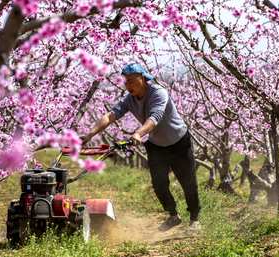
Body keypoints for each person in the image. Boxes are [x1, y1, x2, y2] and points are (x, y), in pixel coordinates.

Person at [81, 63, 200, 231]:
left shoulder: (159, 92)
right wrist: (89, 135)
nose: (127, 85)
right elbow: (111, 115)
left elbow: (155, 117)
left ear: (143, 79)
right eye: (126, 81)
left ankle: (194, 219)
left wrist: (138, 133)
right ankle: (173, 215)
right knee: (159, 184)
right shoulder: (130, 99)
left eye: (131, 80)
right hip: (157, 145)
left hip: (179, 142)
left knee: (188, 182)